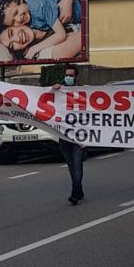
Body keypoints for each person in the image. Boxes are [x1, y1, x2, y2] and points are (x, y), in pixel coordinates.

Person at [0, 0, 81, 59]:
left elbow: (61, 34)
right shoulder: (26, 20)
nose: (18, 20)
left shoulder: (37, 6)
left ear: (20, 0)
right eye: (13, 22)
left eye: (11, 33)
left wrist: (67, 0)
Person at [52, 65, 86, 203]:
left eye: (71, 75)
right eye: (67, 75)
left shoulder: (84, 92)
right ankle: (79, 190)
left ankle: (75, 193)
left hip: (79, 137)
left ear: (76, 77)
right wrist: (52, 88)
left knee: (77, 166)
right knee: (71, 166)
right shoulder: (59, 90)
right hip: (64, 136)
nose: (68, 77)